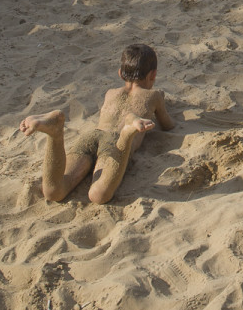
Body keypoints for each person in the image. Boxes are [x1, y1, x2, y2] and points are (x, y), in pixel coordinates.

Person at [19, 44, 173, 204]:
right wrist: (159, 102)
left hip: (92, 135)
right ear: (153, 75)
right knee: (99, 194)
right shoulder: (154, 95)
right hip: (115, 142)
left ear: (120, 74)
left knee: (54, 192)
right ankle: (127, 133)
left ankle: (55, 134)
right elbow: (168, 125)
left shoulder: (110, 93)